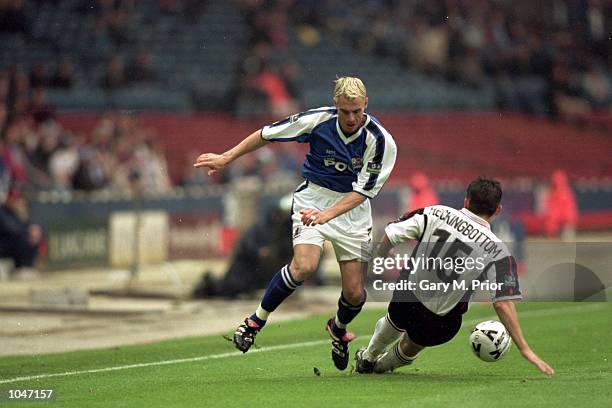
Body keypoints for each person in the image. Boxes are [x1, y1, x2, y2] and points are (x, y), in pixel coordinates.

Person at [194, 77, 397, 370]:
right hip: (312, 199)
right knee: (304, 266)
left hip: (353, 211)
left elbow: (362, 193)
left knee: (354, 293)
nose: (351, 118)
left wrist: (328, 216)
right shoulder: (317, 120)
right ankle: (254, 322)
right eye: (344, 111)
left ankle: (337, 328)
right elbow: (266, 134)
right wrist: (227, 157)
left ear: (365, 104)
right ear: (335, 106)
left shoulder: (380, 141)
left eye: (356, 111)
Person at [355, 177, 554, 376]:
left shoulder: (437, 212)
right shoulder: (499, 251)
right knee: (415, 342)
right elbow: (502, 303)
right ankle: (380, 367)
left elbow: (391, 234)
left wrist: (381, 256)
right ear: (498, 210)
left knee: (396, 319)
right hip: (442, 321)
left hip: (407, 299)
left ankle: (368, 358)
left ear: (466, 201)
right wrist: (525, 348)